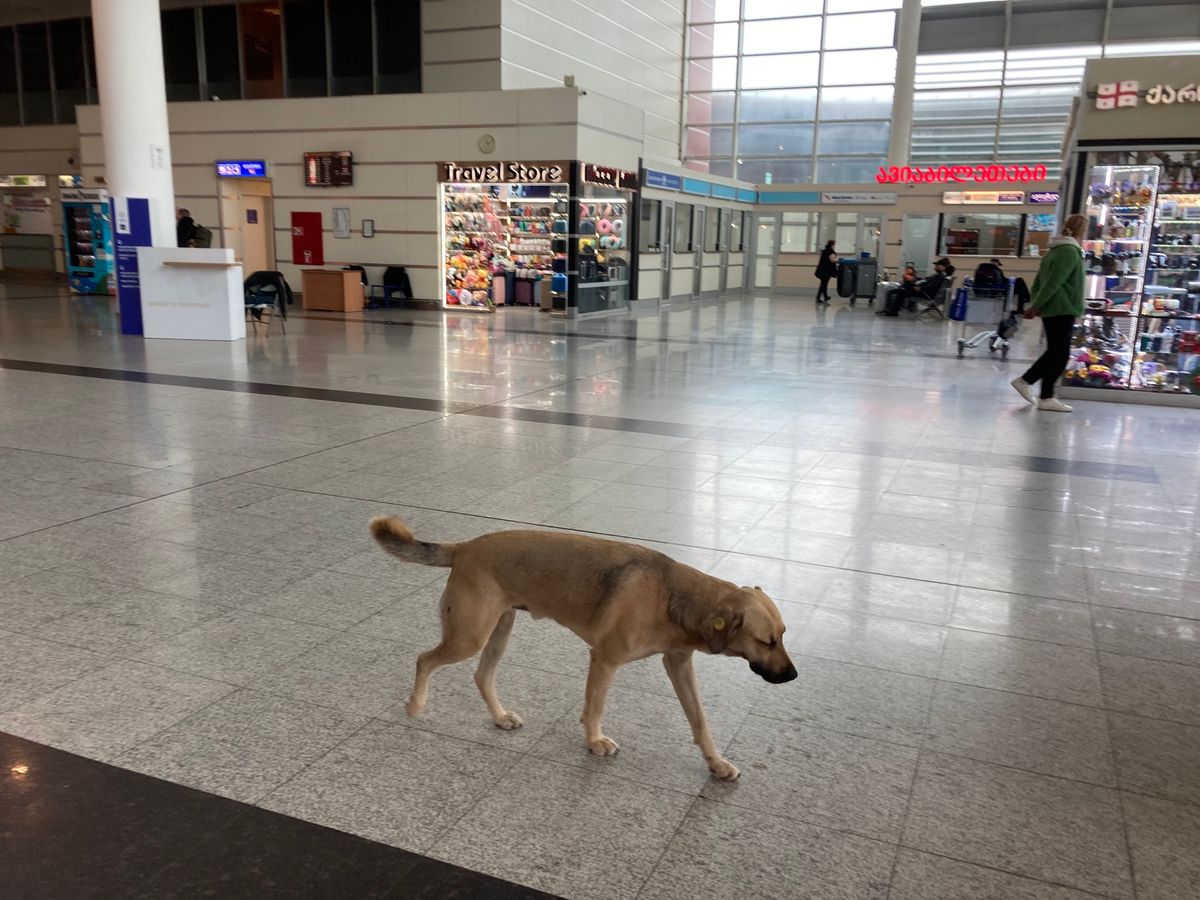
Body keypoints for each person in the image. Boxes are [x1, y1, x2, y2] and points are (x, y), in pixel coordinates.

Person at [1010, 213, 1087, 412]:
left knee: (1056, 352)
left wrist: (1037, 303)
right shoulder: (1069, 251)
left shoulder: (1056, 250)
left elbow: (1040, 281)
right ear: (1081, 231)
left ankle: (1043, 394)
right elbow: (1054, 282)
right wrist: (1037, 305)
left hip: (1056, 307)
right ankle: (1031, 384)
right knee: (1059, 354)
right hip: (1061, 307)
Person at [814, 240, 837, 305]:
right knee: (824, 284)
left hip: (821, 270)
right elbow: (832, 260)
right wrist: (839, 260)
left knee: (824, 283)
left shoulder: (824, 251)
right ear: (832, 245)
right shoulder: (830, 251)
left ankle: (825, 296)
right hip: (826, 271)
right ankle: (818, 298)